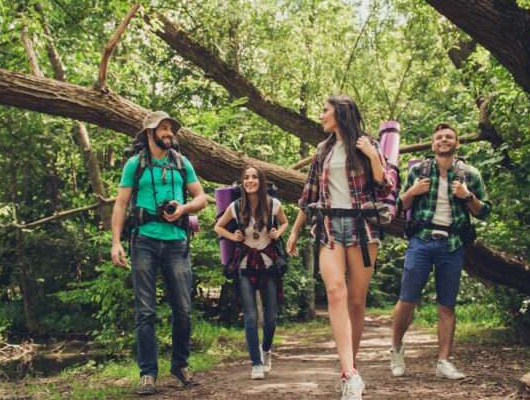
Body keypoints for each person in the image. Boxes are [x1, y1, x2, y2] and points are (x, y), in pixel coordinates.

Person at [286, 95, 392, 400]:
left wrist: (373, 156)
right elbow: (308, 196)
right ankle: (349, 374)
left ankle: (351, 367)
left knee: (357, 302)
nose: (321, 115)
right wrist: (294, 232)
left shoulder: (365, 144)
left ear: (341, 113)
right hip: (330, 227)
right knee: (335, 292)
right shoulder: (323, 150)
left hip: (363, 229)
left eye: (325, 111)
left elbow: (384, 187)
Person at [110, 111, 208, 395]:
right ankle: (148, 374)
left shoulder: (181, 162)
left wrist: (184, 208)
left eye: (170, 129)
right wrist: (116, 242)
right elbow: (120, 204)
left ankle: (180, 365)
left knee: (184, 309)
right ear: (150, 133)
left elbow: (202, 197)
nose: (169, 133)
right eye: (163, 129)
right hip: (144, 242)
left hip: (177, 242)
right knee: (145, 311)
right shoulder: (135, 164)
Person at [390, 123, 491, 380]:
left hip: (453, 245)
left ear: (457, 143)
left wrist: (467, 196)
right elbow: (398, 206)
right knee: (407, 300)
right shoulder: (418, 171)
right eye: (439, 137)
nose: (444, 140)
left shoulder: (470, 174)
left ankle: (444, 361)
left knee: (447, 305)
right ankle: (396, 348)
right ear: (433, 144)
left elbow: (484, 212)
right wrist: (413, 191)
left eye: (449, 137)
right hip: (421, 242)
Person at [214, 165, 289, 380]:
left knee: (271, 318)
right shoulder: (236, 207)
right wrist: (232, 237)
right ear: (242, 182)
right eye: (246, 177)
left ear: (261, 181)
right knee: (250, 316)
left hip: (269, 266)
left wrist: (277, 232)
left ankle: (266, 350)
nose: (250, 181)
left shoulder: (274, 205)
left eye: (254, 177)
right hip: (245, 265)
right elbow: (218, 226)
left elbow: (284, 223)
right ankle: (256, 363)